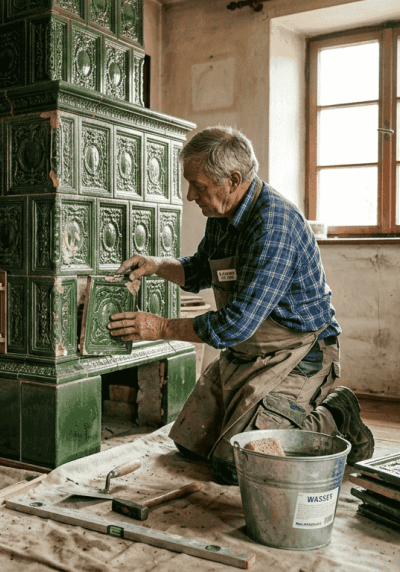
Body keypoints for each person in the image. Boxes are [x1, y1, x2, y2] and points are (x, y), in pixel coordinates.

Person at [107, 126, 373, 485]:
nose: (190, 195)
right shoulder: (222, 215)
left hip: (298, 353)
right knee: (191, 444)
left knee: (237, 464)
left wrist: (159, 327)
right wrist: (156, 265)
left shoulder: (274, 226)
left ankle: (336, 415)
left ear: (233, 180)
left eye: (198, 185)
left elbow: (234, 325)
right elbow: (199, 271)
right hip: (246, 352)